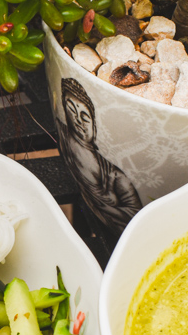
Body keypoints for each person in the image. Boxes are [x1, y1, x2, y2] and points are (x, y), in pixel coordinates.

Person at [56, 78, 143, 233]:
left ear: (94, 126)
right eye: (71, 110)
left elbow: (137, 218)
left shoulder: (114, 176)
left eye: (84, 117)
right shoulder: (63, 134)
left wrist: (108, 207)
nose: (78, 120)